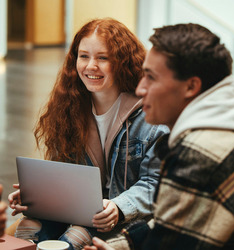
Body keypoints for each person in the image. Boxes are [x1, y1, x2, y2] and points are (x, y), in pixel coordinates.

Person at [84, 23, 234, 250]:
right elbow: (169, 226)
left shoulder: (198, 154)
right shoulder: (230, 124)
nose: (141, 89)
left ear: (191, 86)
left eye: (151, 77)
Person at [8, 18, 167, 249]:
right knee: (28, 229)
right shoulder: (69, 107)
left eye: (103, 58)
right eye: (84, 56)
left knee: (75, 238)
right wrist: (36, 194)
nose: (91, 66)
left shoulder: (151, 116)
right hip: (79, 211)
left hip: (127, 218)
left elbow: (156, 183)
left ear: (123, 62)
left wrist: (119, 207)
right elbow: (61, 172)